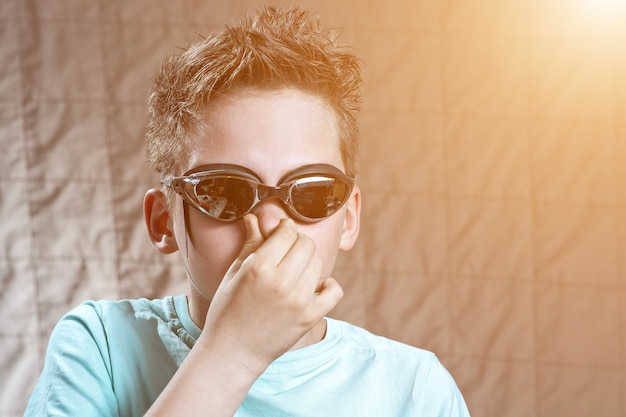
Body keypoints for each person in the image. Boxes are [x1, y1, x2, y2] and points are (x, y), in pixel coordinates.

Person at [24, 5, 471, 417]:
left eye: (312, 193)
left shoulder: (415, 389)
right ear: (164, 221)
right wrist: (233, 351)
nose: (274, 225)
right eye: (225, 192)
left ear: (348, 219)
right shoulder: (99, 346)